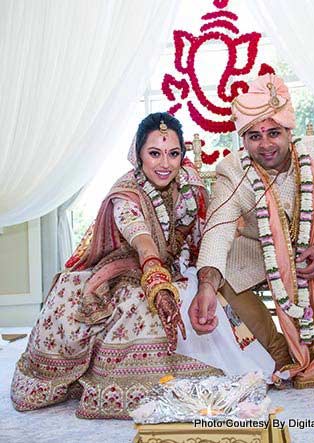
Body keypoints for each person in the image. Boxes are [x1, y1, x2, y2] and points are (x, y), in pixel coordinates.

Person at [11, 112, 276, 419]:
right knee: (133, 303)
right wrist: (155, 277)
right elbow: (142, 240)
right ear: (138, 155)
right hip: (128, 269)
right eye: (154, 154)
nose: (165, 164)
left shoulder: (190, 186)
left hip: (176, 269)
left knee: (196, 294)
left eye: (173, 154)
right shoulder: (125, 193)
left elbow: (205, 234)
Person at [189, 74, 314, 395]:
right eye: (254, 136)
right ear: (243, 140)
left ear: (289, 131)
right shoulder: (233, 171)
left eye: (274, 133)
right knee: (220, 277)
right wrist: (205, 284)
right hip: (261, 252)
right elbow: (217, 229)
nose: (266, 144)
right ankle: (280, 355)